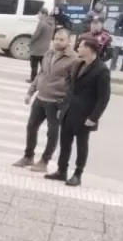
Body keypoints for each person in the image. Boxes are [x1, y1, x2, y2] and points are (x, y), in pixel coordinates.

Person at [46, 36, 111, 187]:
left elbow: (103, 97)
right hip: (69, 111)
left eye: (81, 46)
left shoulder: (101, 70)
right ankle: (61, 170)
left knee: (81, 145)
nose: (78, 48)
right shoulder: (78, 64)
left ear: (89, 49)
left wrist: (93, 117)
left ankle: (77, 174)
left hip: (85, 116)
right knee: (65, 143)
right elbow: (70, 88)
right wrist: (63, 107)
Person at [13, 26, 76, 173]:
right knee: (31, 126)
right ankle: (28, 156)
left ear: (68, 41)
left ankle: (45, 160)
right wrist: (30, 92)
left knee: (52, 132)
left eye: (61, 39)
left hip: (56, 102)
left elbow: (74, 84)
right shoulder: (49, 53)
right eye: (56, 39)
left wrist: (65, 103)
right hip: (40, 98)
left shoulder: (73, 59)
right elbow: (41, 74)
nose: (58, 42)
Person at [28, 8, 54, 81]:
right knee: (43, 66)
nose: (38, 16)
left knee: (34, 65)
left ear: (44, 14)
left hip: (37, 48)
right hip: (46, 48)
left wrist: (31, 42)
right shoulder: (52, 23)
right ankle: (43, 79)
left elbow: (36, 35)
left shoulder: (42, 23)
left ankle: (33, 79)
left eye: (39, 14)